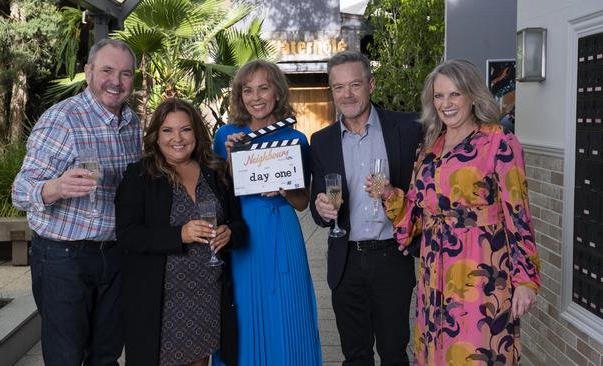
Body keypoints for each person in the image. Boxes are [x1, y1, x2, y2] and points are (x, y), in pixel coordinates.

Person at [379, 59, 541, 365]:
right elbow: (413, 218)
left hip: (481, 273)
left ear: (472, 95)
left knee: (476, 353)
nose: (446, 103)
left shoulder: (498, 141)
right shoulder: (429, 147)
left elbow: (519, 215)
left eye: (454, 94)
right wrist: (390, 195)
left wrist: (526, 280)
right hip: (433, 276)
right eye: (439, 96)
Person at [11, 38, 141, 365]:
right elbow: (20, 191)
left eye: (125, 74)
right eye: (107, 71)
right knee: (66, 356)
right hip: (63, 257)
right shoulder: (63, 120)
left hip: (114, 255)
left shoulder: (132, 123)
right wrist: (56, 187)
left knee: (106, 354)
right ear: (88, 72)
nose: (116, 81)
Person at [309, 50, 422, 366]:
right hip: (347, 261)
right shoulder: (321, 141)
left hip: (392, 257)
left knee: (394, 353)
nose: (347, 94)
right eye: (338, 87)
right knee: (355, 356)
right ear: (331, 91)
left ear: (370, 84)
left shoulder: (408, 127)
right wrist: (321, 208)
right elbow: (320, 209)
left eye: (355, 84)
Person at [115, 98, 245, 366]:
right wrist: (179, 235)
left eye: (185, 129)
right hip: (162, 301)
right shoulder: (139, 176)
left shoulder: (216, 171)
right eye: (167, 130)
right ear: (155, 136)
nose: (178, 138)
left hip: (207, 296)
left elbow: (239, 224)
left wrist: (229, 233)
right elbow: (127, 235)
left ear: (196, 133)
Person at [211, 60, 322, 366]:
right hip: (241, 234)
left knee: (288, 309)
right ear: (239, 95)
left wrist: (286, 189)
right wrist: (232, 157)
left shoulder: (296, 139)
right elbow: (220, 193)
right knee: (245, 311)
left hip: (281, 230)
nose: (256, 96)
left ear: (277, 92)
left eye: (263, 87)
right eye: (248, 90)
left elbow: (302, 202)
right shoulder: (226, 136)